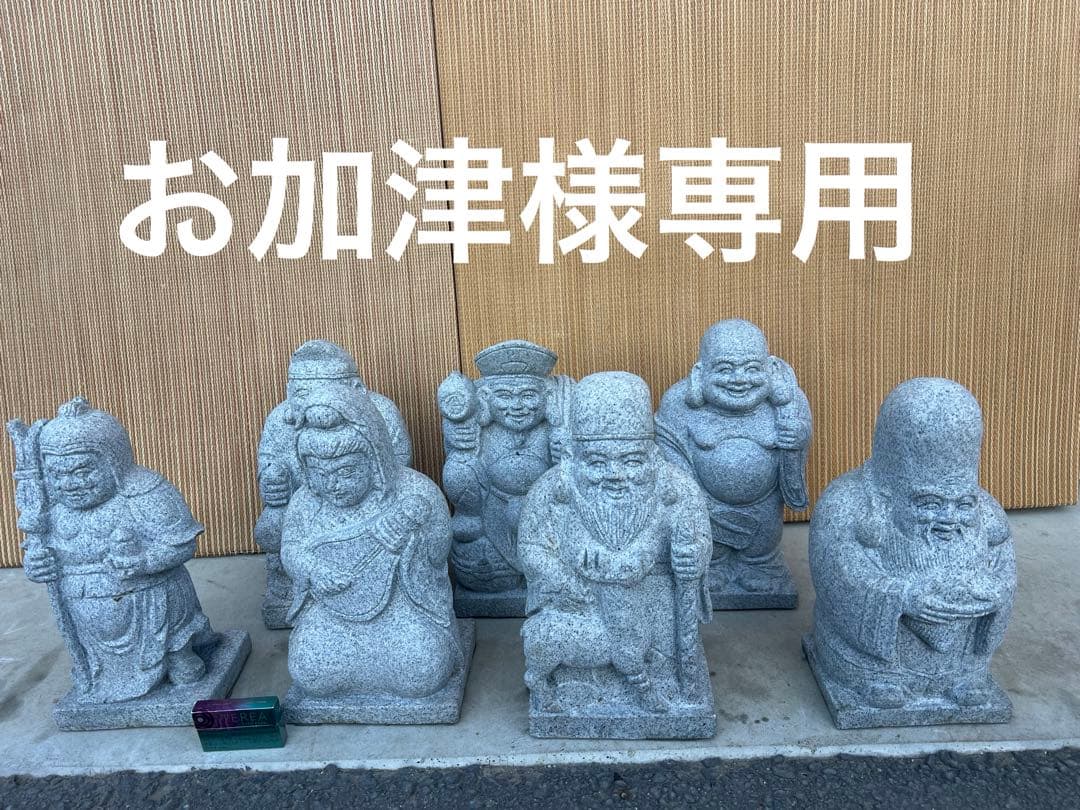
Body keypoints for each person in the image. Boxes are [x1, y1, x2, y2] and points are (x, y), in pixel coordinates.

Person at [807, 378, 1015, 716]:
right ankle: (878, 674)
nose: (949, 518)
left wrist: (993, 593)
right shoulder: (847, 504)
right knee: (871, 674)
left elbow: (1004, 571)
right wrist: (902, 597)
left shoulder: (988, 514)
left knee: (968, 664)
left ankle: (965, 673)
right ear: (890, 493)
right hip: (868, 656)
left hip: (959, 652)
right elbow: (838, 575)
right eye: (929, 503)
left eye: (962, 503)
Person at [519, 372, 712, 719]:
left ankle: (665, 678)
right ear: (573, 458)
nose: (615, 475)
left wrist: (693, 557)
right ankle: (578, 681)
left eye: (631, 460)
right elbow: (532, 549)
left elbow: (699, 541)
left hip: (655, 600)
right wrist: (567, 581)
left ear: (652, 455)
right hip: (579, 600)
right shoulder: (551, 491)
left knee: (654, 641)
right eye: (597, 462)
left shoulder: (678, 490)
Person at [19, 397, 217, 703]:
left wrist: (144, 561)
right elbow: (42, 554)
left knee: (184, 668)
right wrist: (37, 564)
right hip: (83, 605)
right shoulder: (50, 511)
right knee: (97, 655)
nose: (71, 484)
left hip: (151, 600)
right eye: (58, 474)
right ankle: (103, 671)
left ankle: (178, 654)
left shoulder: (144, 492)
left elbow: (181, 543)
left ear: (112, 461)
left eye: (82, 470)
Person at [281, 385, 462, 701]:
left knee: (422, 671)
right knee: (310, 670)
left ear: (375, 460)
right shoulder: (305, 503)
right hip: (333, 613)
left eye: (346, 471)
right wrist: (313, 570)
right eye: (320, 474)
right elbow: (291, 549)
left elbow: (439, 553)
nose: (333, 485)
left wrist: (413, 541)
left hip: (402, 609)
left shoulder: (414, 492)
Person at [255, 339, 412, 627]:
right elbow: (270, 459)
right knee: (273, 522)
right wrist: (272, 478)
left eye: (328, 392)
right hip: (309, 501)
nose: (315, 403)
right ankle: (285, 582)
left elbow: (399, 465)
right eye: (302, 393)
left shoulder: (381, 412)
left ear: (356, 389)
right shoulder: (280, 420)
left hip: (370, 500)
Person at [656, 319, 811, 605]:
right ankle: (712, 564)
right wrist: (694, 500)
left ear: (769, 368)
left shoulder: (788, 404)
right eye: (725, 369)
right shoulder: (678, 404)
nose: (739, 379)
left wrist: (796, 441)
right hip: (707, 504)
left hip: (763, 502)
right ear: (700, 372)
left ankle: (761, 565)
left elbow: (795, 460)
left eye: (752, 369)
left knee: (763, 545)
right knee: (706, 541)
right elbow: (670, 455)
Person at [440, 339, 572, 604]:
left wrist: (566, 453)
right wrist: (459, 441)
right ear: (485, 398)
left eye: (528, 395)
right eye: (505, 396)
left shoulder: (552, 429)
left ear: (546, 396)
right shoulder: (477, 429)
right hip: (491, 510)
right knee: (458, 471)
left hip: (544, 515)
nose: (517, 406)